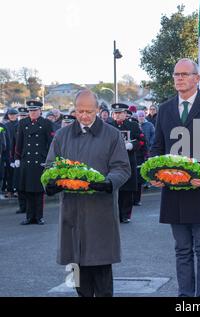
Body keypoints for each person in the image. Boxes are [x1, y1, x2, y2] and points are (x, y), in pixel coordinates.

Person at [150, 58, 200, 297]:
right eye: (176, 74)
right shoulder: (164, 109)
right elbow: (157, 147)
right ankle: (185, 297)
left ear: (196, 78)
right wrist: (155, 174)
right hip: (173, 191)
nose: (179, 78)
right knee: (182, 249)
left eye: (185, 74)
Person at [45, 89, 131, 297]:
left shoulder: (111, 135)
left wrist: (109, 183)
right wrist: (51, 182)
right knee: (77, 275)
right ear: (74, 110)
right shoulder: (62, 135)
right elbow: (50, 166)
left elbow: (122, 168)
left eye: (89, 111)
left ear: (98, 110)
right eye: (80, 111)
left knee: (101, 275)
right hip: (71, 213)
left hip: (99, 212)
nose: (84, 116)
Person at [15, 101, 54, 225]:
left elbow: (50, 143)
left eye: (35, 111)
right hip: (27, 159)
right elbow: (19, 142)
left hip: (40, 160)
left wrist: (49, 160)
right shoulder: (22, 123)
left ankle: (39, 217)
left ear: (40, 111)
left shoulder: (46, 123)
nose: (32, 113)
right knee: (27, 190)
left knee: (38, 191)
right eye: (30, 111)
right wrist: (17, 157)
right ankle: (29, 216)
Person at [109, 103, 141, 223]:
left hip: (128, 160)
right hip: (112, 162)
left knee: (127, 190)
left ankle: (125, 215)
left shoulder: (133, 125)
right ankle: (115, 214)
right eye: (115, 113)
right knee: (115, 188)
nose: (117, 115)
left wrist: (132, 145)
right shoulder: (108, 126)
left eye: (120, 113)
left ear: (125, 113)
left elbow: (141, 141)